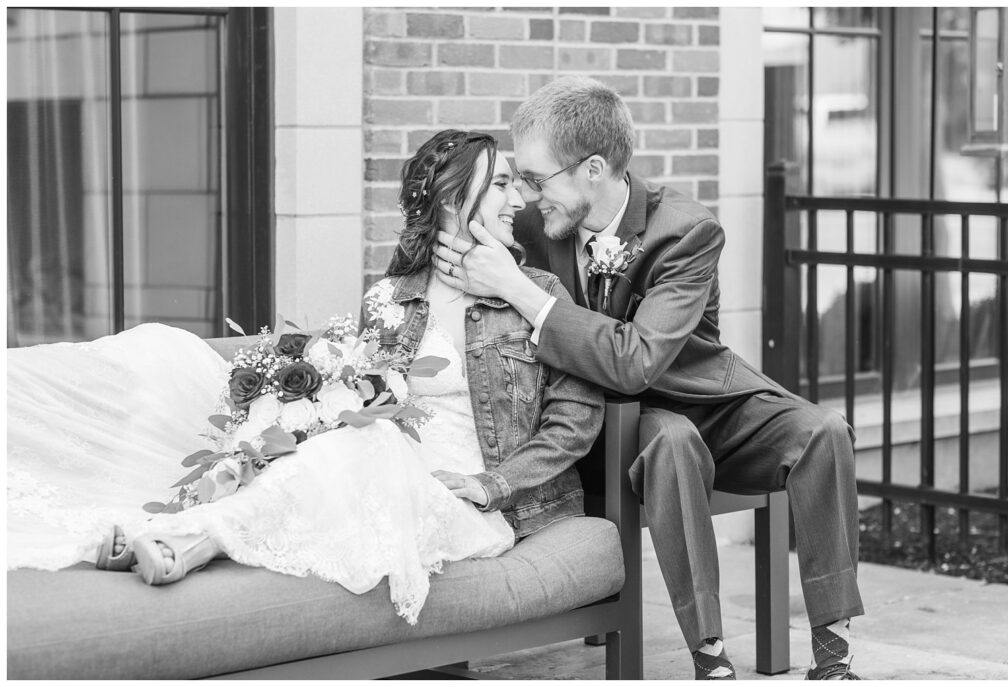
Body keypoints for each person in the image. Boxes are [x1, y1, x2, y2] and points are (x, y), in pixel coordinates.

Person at [6, 129, 604, 626]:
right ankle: (176, 532)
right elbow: (365, 398)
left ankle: (183, 541)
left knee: (361, 448)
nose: (519, 201)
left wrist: (488, 484)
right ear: (453, 197)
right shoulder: (391, 298)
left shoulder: (537, 296)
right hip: (384, 467)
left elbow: (575, 422)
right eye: (501, 184)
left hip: (478, 503)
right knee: (348, 444)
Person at [433, 76, 864, 679]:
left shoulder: (687, 231)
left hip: (702, 399)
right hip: (608, 426)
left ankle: (834, 653)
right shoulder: (532, 228)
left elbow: (636, 361)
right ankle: (709, 654)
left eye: (535, 179)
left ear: (593, 169)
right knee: (670, 441)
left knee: (824, 429)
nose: (525, 198)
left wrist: (515, 288)